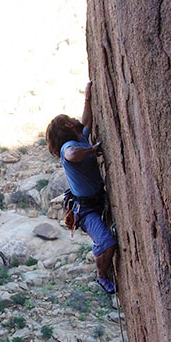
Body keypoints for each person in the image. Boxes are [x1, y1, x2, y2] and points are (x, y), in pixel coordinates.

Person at [45, 82, 116, 293]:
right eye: (69, 119)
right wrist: (92, 150)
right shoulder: (70, 147)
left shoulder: (80, 137)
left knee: (107, 238)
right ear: (67, 127)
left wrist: (87, 97)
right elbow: (71, 155)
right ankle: (101, 275)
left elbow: (86, 121)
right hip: (86, 210)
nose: (73, 119)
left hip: (94, 201)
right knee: (107, 242)